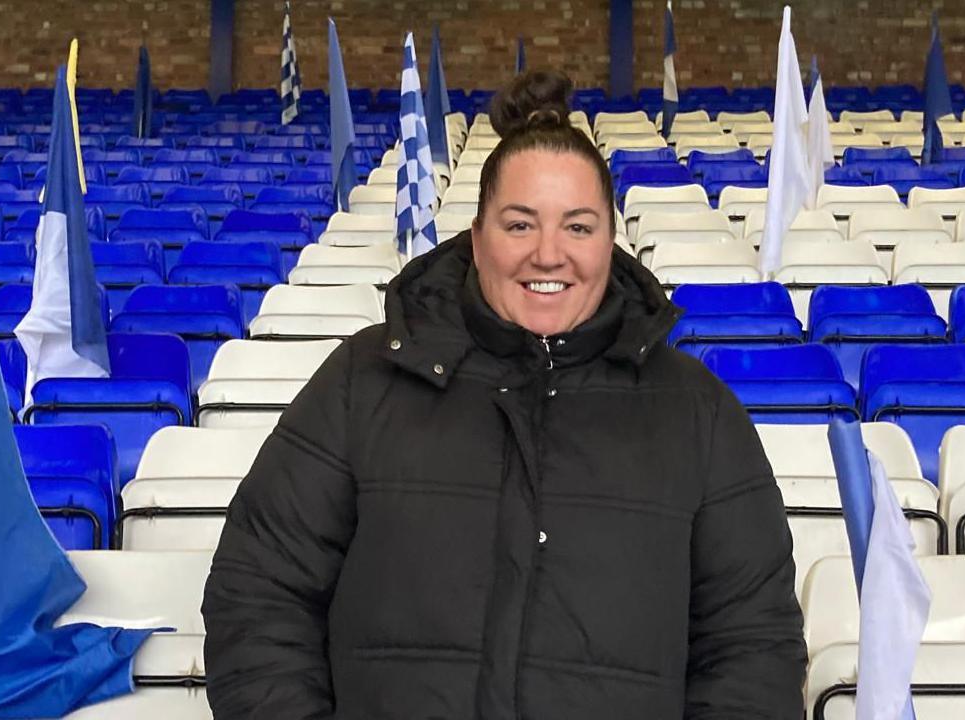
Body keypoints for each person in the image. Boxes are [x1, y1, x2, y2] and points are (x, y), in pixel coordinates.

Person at [203, 70, 806, 719]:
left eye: (578, 227)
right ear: (478, 232)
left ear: (611, 239)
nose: (549, 254)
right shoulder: (362, 381)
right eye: (520, 225)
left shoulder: (697, 412)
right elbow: (259, 597)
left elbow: (753, 648)